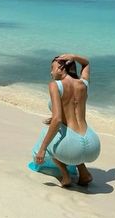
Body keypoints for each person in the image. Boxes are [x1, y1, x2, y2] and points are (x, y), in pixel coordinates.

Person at [28, 53, 100, 187]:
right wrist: (74, 57)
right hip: (93, 144)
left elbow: (57, 119)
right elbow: (86, 63)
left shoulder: (55, 85)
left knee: (47, 134)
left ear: (61, 69)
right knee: (69, 138)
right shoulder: (83, 83)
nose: (51, 72)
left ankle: (65, 174)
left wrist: (42, 150)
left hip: (72, 147)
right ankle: (84, 174)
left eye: (52, 68)